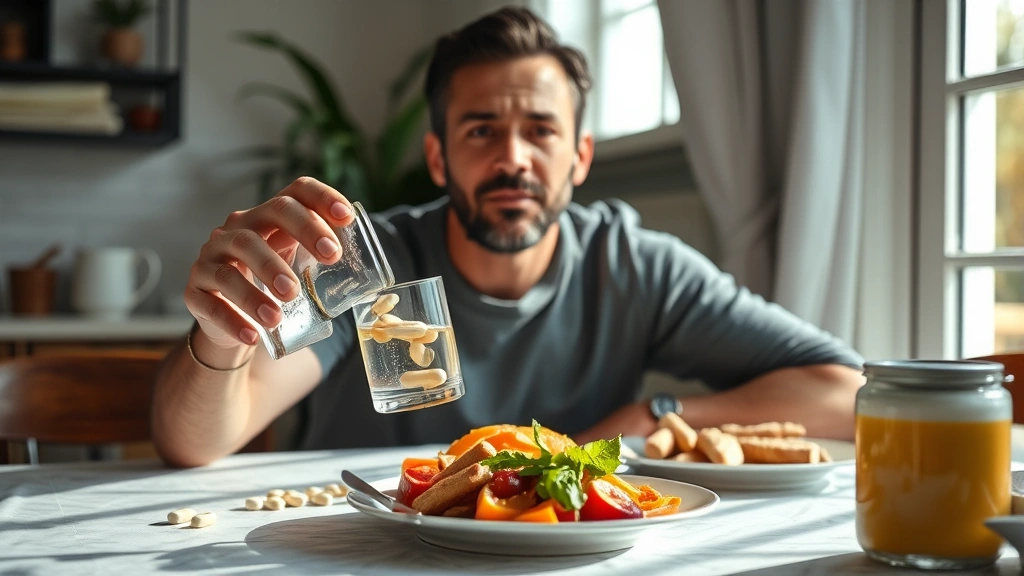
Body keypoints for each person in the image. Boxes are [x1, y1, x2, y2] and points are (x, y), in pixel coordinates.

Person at [152, 7, 864, 468]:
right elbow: (198, 441)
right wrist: (222, 335)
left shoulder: (636, 267)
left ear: (580, 157)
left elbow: (849, 394)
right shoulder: (370, 263)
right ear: (438, 157)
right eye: (482, 130)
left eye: (541, 131)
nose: (514, 158)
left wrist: (657, 413)